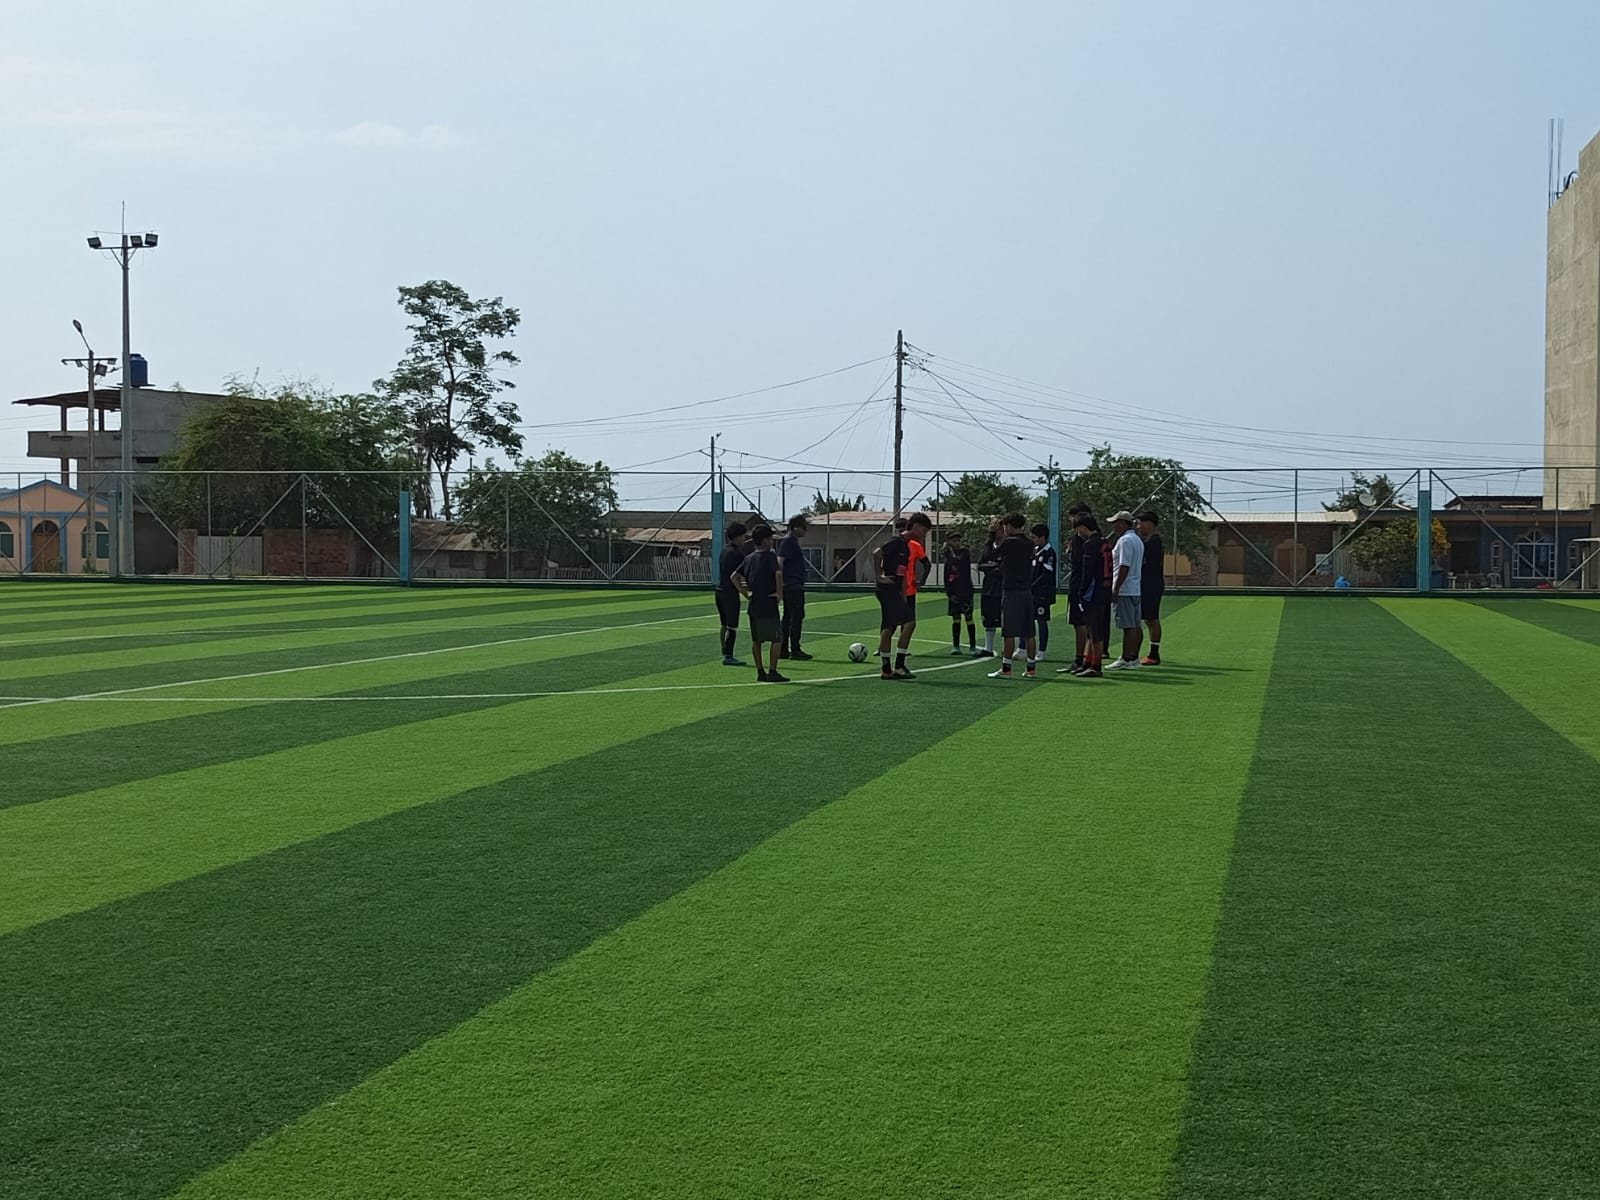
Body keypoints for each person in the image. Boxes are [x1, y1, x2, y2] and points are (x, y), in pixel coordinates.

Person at [871, 512, 932, 679]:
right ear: (916, 527)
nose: (924, 535)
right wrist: (879, 576)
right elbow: (876, 553)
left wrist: (904, 594)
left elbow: (903, 574)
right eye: (924, 531)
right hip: (886, 590)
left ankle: (886, 669)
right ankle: (898, 665)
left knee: (889, 626)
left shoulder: (906, 547)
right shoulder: (896, 542)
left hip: (895, 591)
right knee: (909, 623)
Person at [731, 524, 787, 683]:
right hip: (768, 602)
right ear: (764, 540)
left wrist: (745, 593)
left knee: (757, 640)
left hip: (754, 604)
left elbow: (734, 577)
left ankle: (760, 671)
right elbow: (778, 573)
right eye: (770, 539)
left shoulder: (748, 558)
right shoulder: (770, 556)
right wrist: (779, 593)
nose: (771, 542)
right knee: (776, 639)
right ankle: (773, 671)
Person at [987, 513, 1038, 679]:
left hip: (1011, 591)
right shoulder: (1029, 543)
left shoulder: (1009, 542)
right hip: (1027, 591)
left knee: (1008, 632)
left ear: (1009, 526)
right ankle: (1031, 668)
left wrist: (993, 534)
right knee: (1029, 632)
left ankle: (1006, 668)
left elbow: (991, 554)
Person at [1061, 512, 1109, 677]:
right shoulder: (1104, 541)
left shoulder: (1090, 544)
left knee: (1094, 631)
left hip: (1093, 592)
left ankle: (1096, 666)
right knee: (1091, 630)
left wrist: (1081, 591)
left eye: (1078, 528)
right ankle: (1088, 662)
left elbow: (1087, 572)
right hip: (1103, 590)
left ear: (1083, 527)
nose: (1078, 532)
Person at [1107, 510, 1145, 670]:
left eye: (1115, 523)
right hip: (1135, 588)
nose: (1113, 526)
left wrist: (1116, 588)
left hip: (1125, 588)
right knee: (1135, 624)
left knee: (1128, 626)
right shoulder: (1137, 540)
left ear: (1123, 523)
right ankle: (1134, 657)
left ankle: (1126, 658)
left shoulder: (1124, 541)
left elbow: (1124, 565)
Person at [776, 515, 813, 661]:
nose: (806, 530)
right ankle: (794, 649)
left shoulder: (791, 541)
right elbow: (780, 562)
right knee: (795, 616)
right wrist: (781, 583)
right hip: (792, 585)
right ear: (795, 527)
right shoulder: (788, 541)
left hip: (792, 584)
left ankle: (784, 649)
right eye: (803, 527)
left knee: (788, 617)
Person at [714, 521, 750, 666]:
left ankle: (724, 650)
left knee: (724, 624)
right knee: (732, 625)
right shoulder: (736, 553)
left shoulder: (724, 550)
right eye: (743, 536)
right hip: (730, 593)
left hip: (719, 591)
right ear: (737, 536)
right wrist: (746, 593)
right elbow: (738, 577)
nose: (744, 539)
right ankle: (728, 655)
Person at [1063, 504, 1091, 672]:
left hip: (1080, 585)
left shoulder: (1082, 538)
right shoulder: (1091, 538)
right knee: (1085, 623)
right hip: (1083, 584)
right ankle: (1086, 659)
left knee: (1080, 623)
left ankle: (1081, 659)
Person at [1137, 510, 1164, 666]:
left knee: (1152, 618)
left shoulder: (1154, 542)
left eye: (1140, 523)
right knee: (1148, 619)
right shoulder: (1149, 541)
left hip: (1151, 584)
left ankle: (1154, 654)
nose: (1138, 527)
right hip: (1149, 583)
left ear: (1149, 524)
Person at [943, 530, 977, 655]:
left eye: (958, 541)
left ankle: (972, 646)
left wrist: (948, 552)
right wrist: (949, 592)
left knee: (969, 618)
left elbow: (957, 561)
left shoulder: (964, 553)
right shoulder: (948, 556)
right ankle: (956, 646)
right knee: (956, 619)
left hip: (966, 592)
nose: (957, 543)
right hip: (954, 592)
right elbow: (946, 575)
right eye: (954, 541)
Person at [1030, 522, 1057, 661]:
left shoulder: (1049, 553)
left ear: (1042, 537)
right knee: (1028, 619)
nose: (1033, 540)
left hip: (1042, 593)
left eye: (1034, 537)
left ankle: (1041, 651)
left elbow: (1046, 574)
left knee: (1041, 620)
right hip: (1032, 592)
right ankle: (1024, 648)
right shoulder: (1035, 551)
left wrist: (1033, 585)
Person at [976, 521, 1003, 657]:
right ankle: (988, 648)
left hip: (1001, 587)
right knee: (988, 618)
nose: (992, 534)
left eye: (995, 531)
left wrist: (991, 566)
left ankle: (1006, 648)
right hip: (988, 587)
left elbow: (1003, 568)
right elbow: (981, 564)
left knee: (1004, 619)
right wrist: (993, 566)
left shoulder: (1007, 546)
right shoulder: (989, 546)